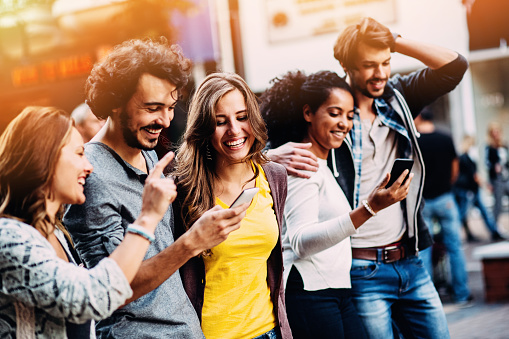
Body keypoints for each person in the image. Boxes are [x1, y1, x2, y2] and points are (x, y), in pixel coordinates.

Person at [267, 17, 468, 338]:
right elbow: (260, 147)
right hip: (361, 268)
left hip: (411, 259)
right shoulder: (331, 109)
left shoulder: (396, 97)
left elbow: (454, 67)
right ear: (347, 65)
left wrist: (392, 39)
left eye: (386, 62)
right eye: (369, 64)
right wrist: (270, 156)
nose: (380, 73)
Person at [63, 39, 248, 338]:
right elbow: (114, 290)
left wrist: (267, 159)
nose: (164, 120)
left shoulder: (147, 151)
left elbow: (200, 162)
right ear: (114, 101)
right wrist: (191, 242)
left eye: (171, 107)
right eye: (152, 108)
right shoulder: (90, 176)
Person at [260, 70, 412, 339]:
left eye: (350, 115)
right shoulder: (302, 166)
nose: (344, 123)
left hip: (335, 291)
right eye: (334, 113)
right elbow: (301, 240)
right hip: (310, 292)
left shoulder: (323, 165)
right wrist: (369, 209)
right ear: (308, 113)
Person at [0, 106, 175, 338]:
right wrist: (148, 217)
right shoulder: (9, 238)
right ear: (44, 157)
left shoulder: (55, 233)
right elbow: (93, 297)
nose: (89, 167)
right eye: (79, 153)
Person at [173, 72, 292, 339]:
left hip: (270, 330)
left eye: (242, 117)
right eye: (220, 122)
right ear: (204, 128)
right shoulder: (183, 190)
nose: (234, 130)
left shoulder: (274, 177)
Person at [414, 108, 472, 306]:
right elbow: (454, 169)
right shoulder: (445, 138)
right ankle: (462, 294)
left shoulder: (415, 141)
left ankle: (427, 299)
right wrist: (447, 185)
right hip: (445, 198)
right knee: (455, 247)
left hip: (423, 201)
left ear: (418, 117)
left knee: (424, 251)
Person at [454, 135, 503, 241]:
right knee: (462, 214)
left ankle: (494, 231)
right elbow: (474, 175)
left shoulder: (464, 157)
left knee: (477, 212)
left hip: (470, 190)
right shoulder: (465, 158)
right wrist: (484, 184)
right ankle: (453, 236)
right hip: (468, 190)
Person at [486, 122, 509, 225]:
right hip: (497, 179)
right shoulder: (489, 148)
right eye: (493, 132)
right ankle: (494, 227)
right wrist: (490, 182)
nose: (496, 134)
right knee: (498, 205)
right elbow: (487, 164)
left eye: (497, 131)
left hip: (507, 177)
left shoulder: (504, 145)